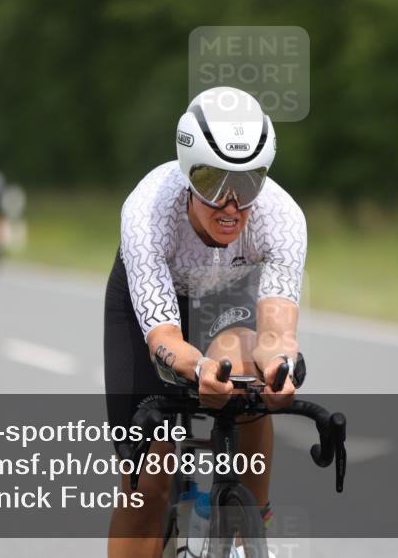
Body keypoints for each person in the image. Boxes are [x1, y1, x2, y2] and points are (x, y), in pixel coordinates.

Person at [104, 86, 307, 558]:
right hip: (153, 314)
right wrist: (195, 372)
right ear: (187, 174)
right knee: (148, 483)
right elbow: (164, 337)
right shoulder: (148, 211)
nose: (232, 205)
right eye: (213, 182)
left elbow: (277, 333)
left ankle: (248, 533)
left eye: (248, 183)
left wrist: (280, 366)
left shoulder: (282, 218)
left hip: (223, 300)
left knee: (252, 379)